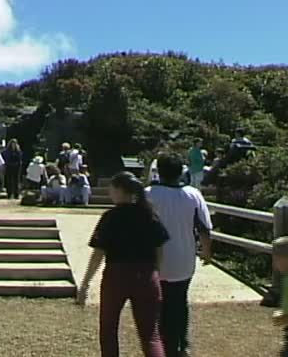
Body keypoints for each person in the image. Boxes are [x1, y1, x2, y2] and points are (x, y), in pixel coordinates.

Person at [77, 172, 169, 357]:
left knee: (109, 329)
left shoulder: (111, 217)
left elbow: (98, 254)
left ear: (119, 190)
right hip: (146, 274)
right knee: (150, 334)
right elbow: (160, 250)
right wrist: (156, 273)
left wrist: (85, 283)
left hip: (116, 275)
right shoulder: (149, 215)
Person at [145, 153, 213, 357]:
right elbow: (204, 228)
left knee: (159, 303)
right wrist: (207, 252)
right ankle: (181, 344)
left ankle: (162, 344)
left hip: (155, 260)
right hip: (184, 259)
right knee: (180, 301)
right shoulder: (193, 195)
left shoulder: (148, 194)